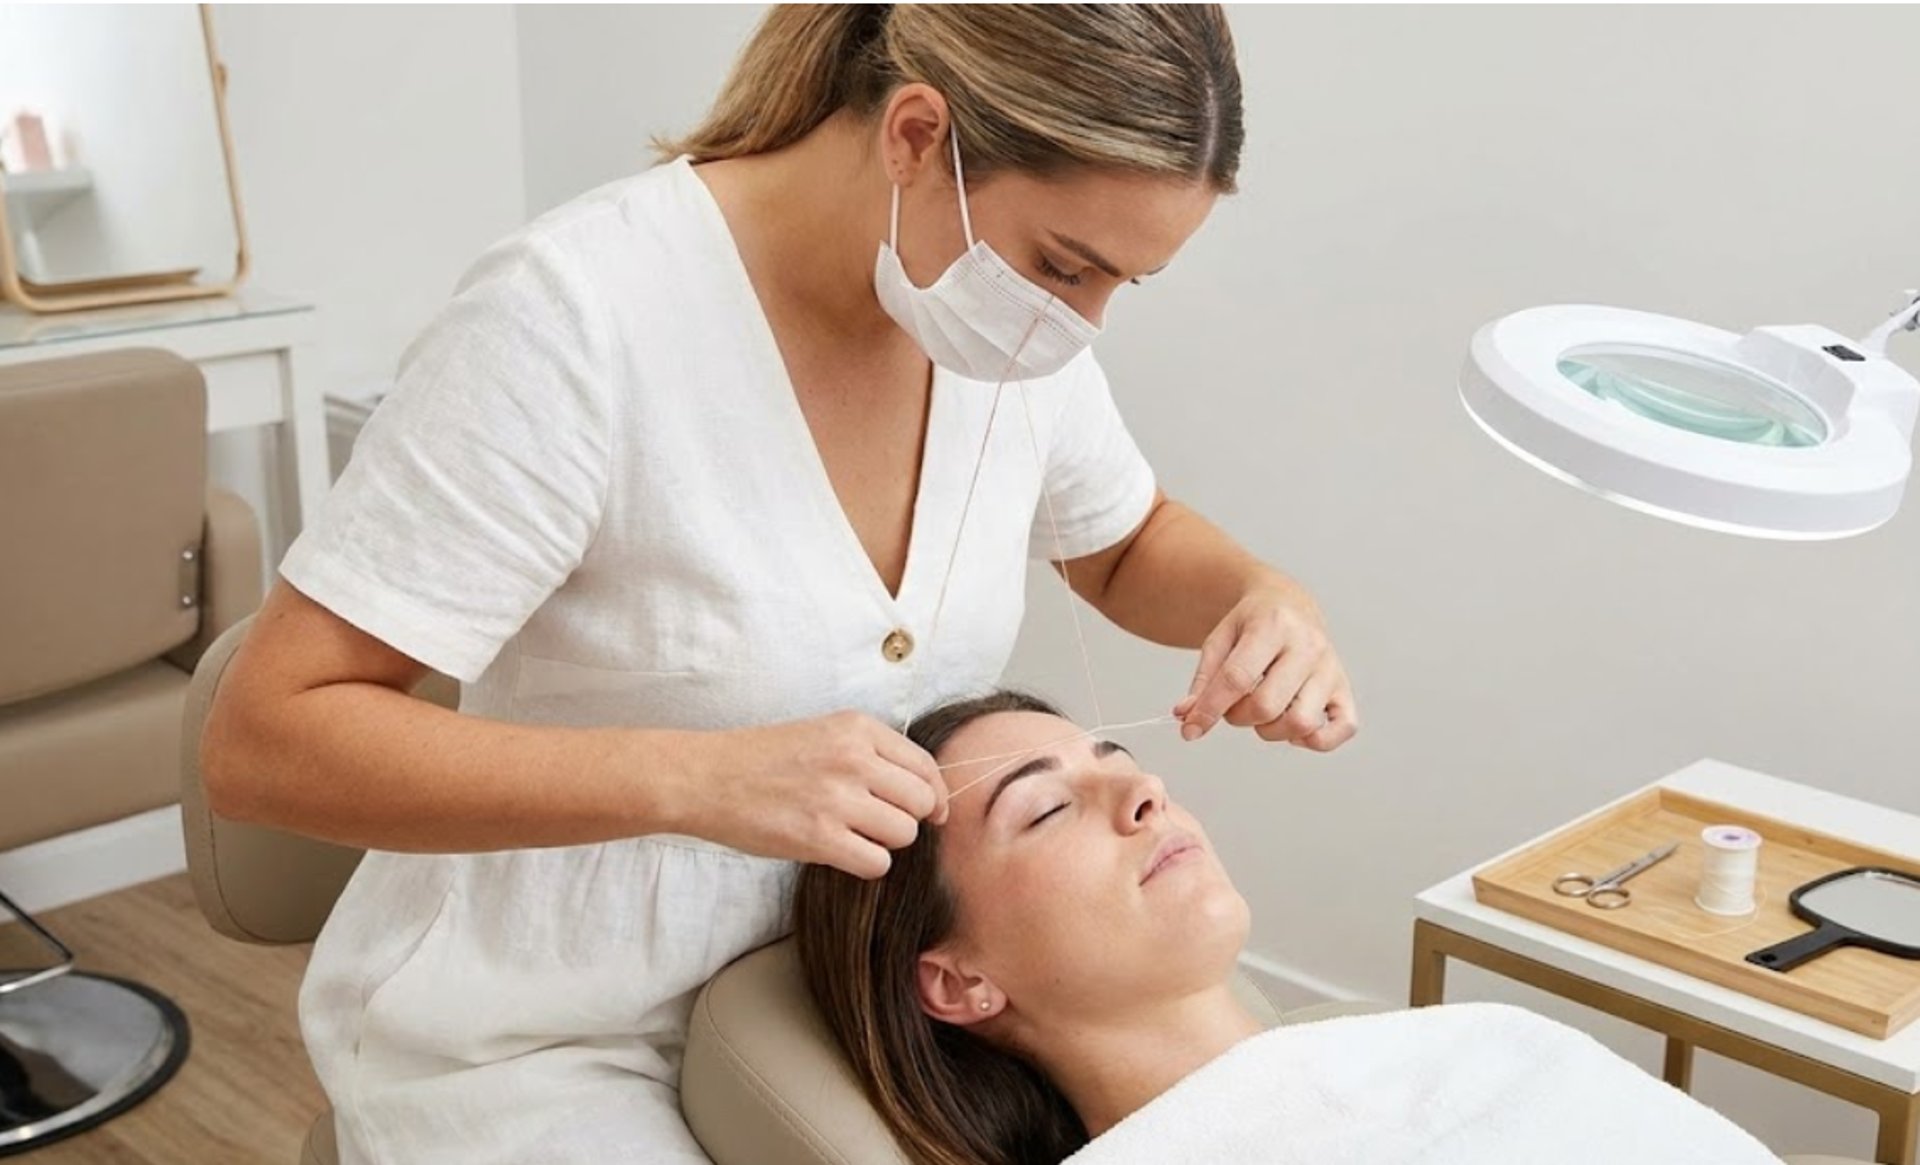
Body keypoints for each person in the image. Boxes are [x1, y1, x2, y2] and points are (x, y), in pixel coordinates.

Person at [202, 7, 1356, 1162]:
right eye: (1065, 264)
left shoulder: (993, 328)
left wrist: (1259, 596)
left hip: (852, 1007)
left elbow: (1120, 541)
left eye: (1120, 283)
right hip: (557, 1036)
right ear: (916, 135)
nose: (1081, 322)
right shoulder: (573, 322)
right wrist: (696, 775)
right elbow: (265, 741)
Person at [792, 692, 1784, 1165]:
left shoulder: (1468, 1039)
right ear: (961, 981)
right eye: (1045, 809)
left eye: (1115, 762)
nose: (1145, 791)